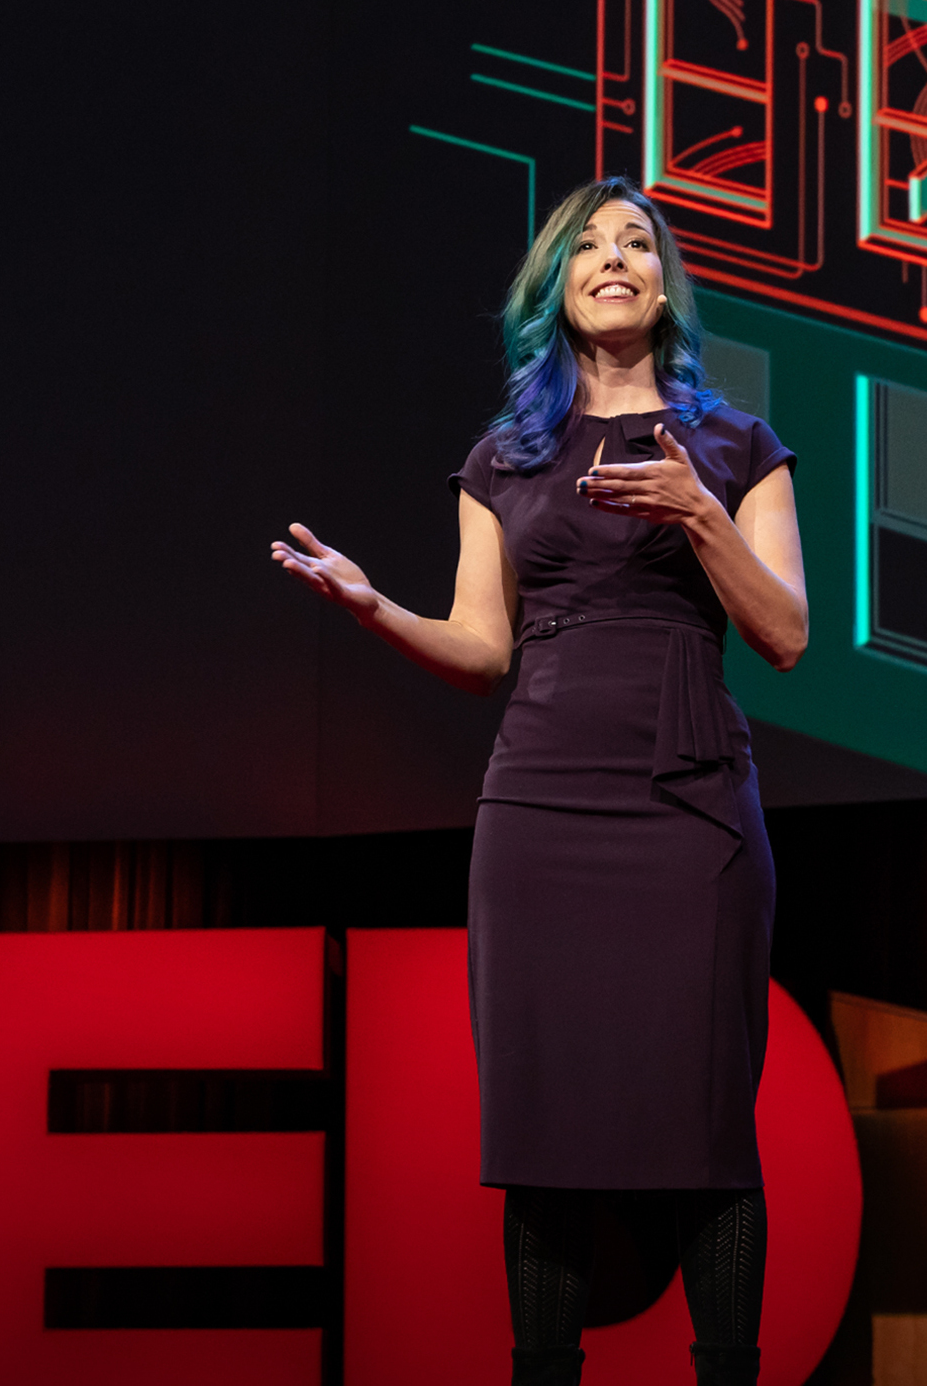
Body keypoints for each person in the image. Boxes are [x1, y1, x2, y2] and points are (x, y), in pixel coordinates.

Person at [271, 176, 807, 1386]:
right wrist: (376, 611)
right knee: (546, 1124)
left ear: (663, 285)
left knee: (707, 1129)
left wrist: (702, 515)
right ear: (554, 290)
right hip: (541, 804)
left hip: (690, 806)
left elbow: (787, 635)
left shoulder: (733, 444)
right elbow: (482, 653)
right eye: (586, 248)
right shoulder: (505, 455)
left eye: (635, 243)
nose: (612, 258)